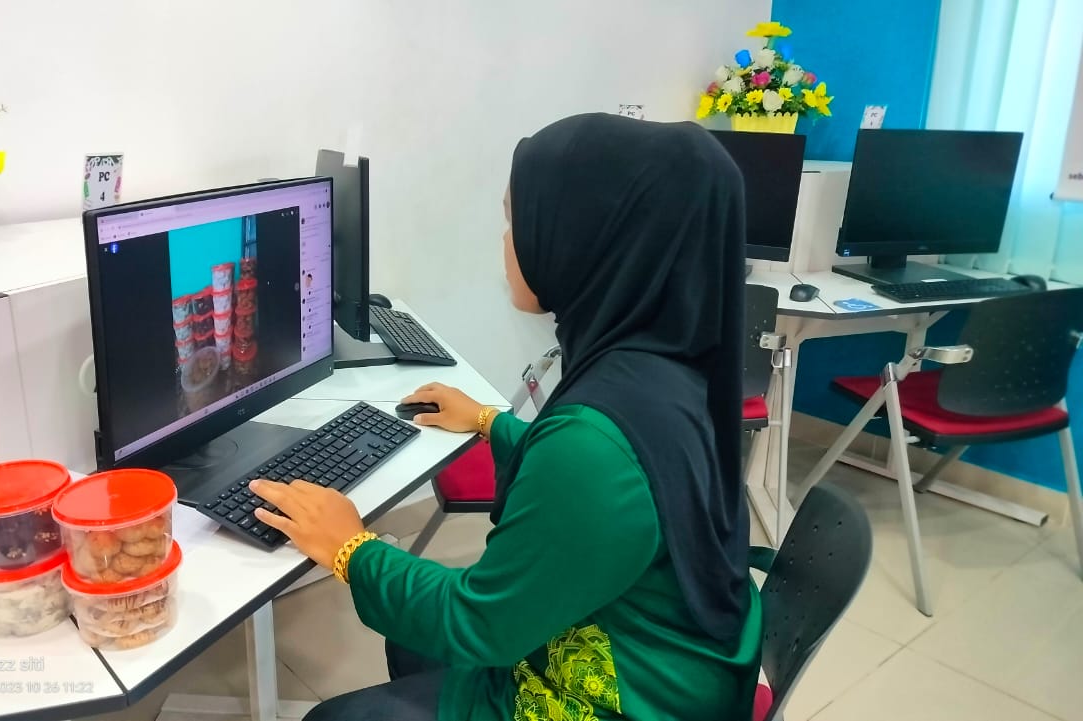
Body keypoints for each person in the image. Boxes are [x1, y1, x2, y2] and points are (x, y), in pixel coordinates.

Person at [250, 113, 761, 721]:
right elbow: (614, 486)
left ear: (582, 240)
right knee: (410, 639)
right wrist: (490, 422)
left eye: (516, 220)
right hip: (682, 655)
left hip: (629, 698)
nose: (506, 240)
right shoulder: (664, 365)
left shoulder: (593, 443)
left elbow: (479, 623)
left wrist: (349, 548)